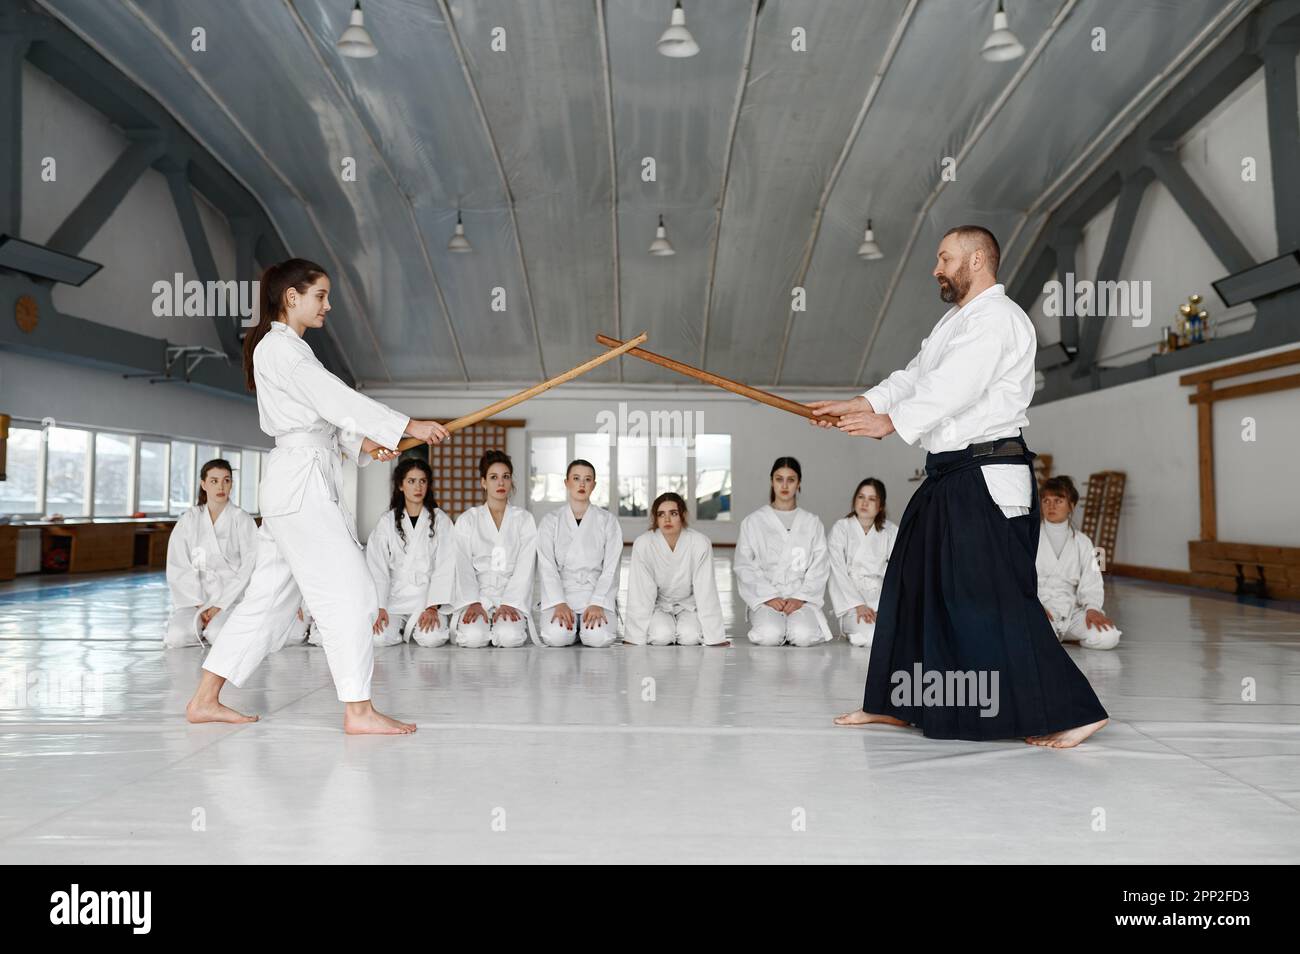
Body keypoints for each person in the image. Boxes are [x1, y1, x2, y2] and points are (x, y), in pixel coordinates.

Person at [809, 225, 1108, 748]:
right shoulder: (955, 322)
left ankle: (1077, 709)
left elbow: (955, 388)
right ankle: (897, 702)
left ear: (975, 261)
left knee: (990, 598)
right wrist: (862, 404)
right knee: (910, 584)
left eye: (944, 258)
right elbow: (915, 377)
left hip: (987, 476)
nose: (935, 269)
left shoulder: (998, 318)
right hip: (949, 473)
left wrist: (893, 423)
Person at [184, 258, 449, 734]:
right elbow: (334, 399)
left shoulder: (291, 351)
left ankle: (205, 699)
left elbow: (322, 419)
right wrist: (406, 424)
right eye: (320, 296)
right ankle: (358, 710)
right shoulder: (280, 349)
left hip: (298, 482)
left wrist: (366, 443)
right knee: (353, 593)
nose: (328, 305)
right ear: (292, 297)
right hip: (301, 487)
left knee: (267, 602)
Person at [733, 457, 832, 646]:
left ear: (799, 483)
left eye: (791, 479)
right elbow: (744, 564)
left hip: (801, 597)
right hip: (767, 597)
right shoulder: (753, 522)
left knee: (803, 636)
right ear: (772, 481)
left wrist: (800, 597)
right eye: (779, 479)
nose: (784, 485)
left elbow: (820, 566)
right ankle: (774, 622)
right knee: (769, 635)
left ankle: (798, 623)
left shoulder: (812, 522)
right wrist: (768, 596)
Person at [366, 457, 457, 648]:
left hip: (427, 598)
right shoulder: (387, 521)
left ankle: (417, 625)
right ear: (400, 485)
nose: (418, 487)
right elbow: (377, 566)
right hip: (394, 598)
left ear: (428, 485)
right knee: (378, 638)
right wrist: (380, 606)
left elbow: (446, 566)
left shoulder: (441, 520)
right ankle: (399, 627)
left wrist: (433, 606)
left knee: (432, 639)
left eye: (422, 481)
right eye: (411, 481)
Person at [450, 450, 537, 648]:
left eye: (506, 477)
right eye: (493, 477)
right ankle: (481, 621)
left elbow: (526, 567)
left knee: (509, 637)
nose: (500, 483)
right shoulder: (468, 520)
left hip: (510, 596)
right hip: (477, 595)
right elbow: (461, 565)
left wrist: (510, 602)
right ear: (483, 482)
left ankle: (504, 620)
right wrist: (472, 602)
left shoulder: (524, 520)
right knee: (473, 638)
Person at [535, 459, 622, 647]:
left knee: (597, 638)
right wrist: (558, 602)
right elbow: (547, 567)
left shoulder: (607, 521)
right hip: (562, 594)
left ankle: (583, 627)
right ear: (566, 483)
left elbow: (611, 568)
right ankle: (573, 626)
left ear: (594, 485)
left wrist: (598, 602)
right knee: (556, 637)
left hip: (596, 594)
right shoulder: (550, 521)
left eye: (587, 479)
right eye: (576, 478)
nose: (582, 484)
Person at [625, 492, 729, 647]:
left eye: (673, 513)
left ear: (683, 515)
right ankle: (660, 627)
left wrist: (716, 638)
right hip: (659, 605)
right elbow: (640, 592)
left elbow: (706, 590)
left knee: (690, 637)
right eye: (661, 514)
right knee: (661, 637)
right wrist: (633, 637)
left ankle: (689, 628)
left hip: (688, 604)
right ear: (655, 518)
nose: (667, 520)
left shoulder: (700, 543)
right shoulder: (644, 544)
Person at [1037, 476, 1121, 650]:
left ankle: (1063, 635)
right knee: (1038, 634)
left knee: (1108, 636)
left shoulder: (1085, 542)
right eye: (1046, 500)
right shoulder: (1028, 538)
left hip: (1071, 611)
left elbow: (1094, 581)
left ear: (1072, 506)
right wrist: (1033, 606)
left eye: (1058, 500)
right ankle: (1054, 635)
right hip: (1039, 609)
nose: (1051, 506)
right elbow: (1017, 578)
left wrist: (1092, 608)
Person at [826, 478, 898, 648]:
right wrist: (858, 605)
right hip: (852, 603)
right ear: (854, 500)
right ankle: (854, 631)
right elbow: (837, 571)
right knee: (873, 636)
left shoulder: (891, 531)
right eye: (861, 497)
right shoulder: (841, 529)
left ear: (880, 506)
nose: (865, 503)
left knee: (894, 634)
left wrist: (885, 606)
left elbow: (896, 573)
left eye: (872, 499)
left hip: (881, 599)